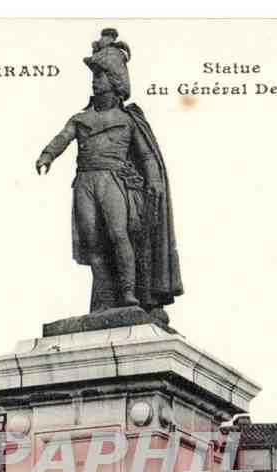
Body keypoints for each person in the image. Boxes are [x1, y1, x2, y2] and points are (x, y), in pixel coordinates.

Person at [36, 28, 182, 320]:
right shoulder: (80, 118)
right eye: (95, 76)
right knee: (93, 241)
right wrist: (47, 154)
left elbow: (147, 156)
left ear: (115, 82)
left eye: (101, 76)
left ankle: (128, 293)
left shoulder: (128, 119)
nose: (96, 81)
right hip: (85, 181)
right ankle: (104, 299)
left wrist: (154, 180)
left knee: (118, 234)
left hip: (114, 180)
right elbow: (63, 137)